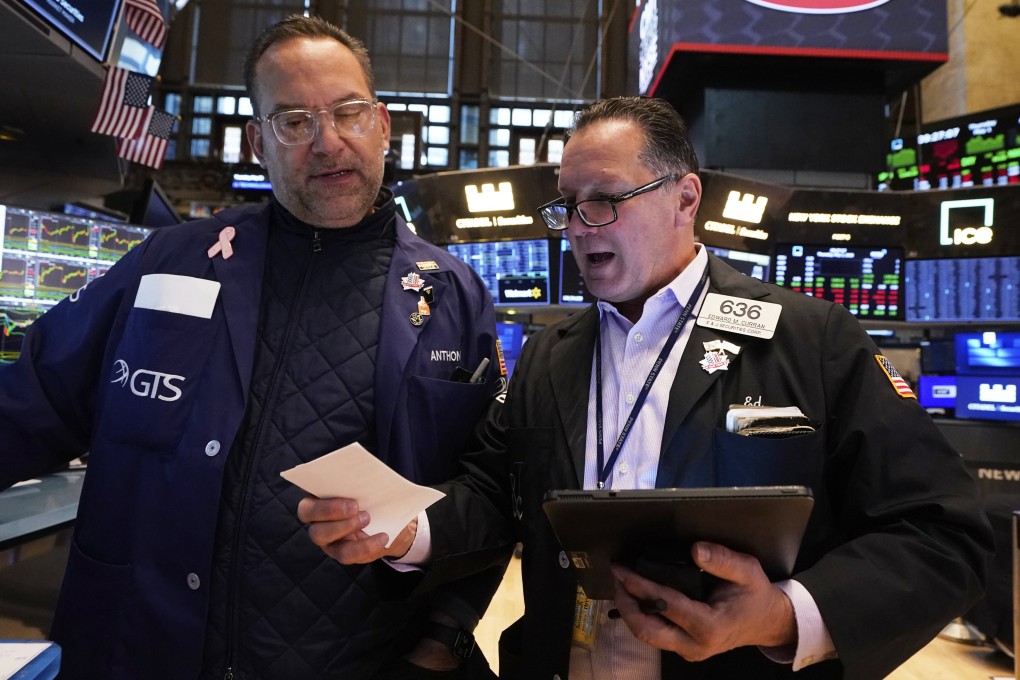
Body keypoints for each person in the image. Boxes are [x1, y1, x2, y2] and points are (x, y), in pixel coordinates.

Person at [298, 96, 994, 679]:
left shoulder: (810, 340)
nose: (578, 228)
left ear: (684, 198)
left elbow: (941, 534)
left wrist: (785, 613)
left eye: (606, 202)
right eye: (568, 206)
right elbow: (490, 491)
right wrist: (401, 527)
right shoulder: (552, 357)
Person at [0, 14, 508, 680]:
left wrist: (441, 640)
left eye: (349, 114)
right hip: (137, 646)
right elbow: (28, 403)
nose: (326, 142)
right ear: (256, 143)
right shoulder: (167, 263)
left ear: (382, 125)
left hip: (350, 659)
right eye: (293, 121)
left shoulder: (453, 297)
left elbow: (492, 487)